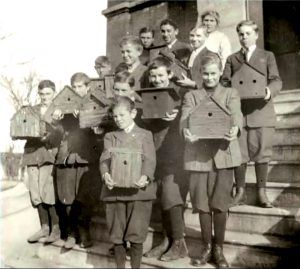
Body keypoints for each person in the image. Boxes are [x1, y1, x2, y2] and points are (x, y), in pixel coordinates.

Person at [180, 55, 243, 268]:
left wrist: (235, 128)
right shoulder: (191, 95)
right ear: (200, 74)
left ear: (220, 73)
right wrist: (186, 132)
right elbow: (184, 119)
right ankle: (207, 246)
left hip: (224, 156)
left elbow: (236, 115)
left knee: (220, 204)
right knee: (202, 204)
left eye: (213, 73)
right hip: (198, 158)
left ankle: (219, 249)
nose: (209, 77)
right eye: (205, 73)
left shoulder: (230, 93)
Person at [221, 20, 282, 208]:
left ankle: (261, 192)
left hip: (261, 112)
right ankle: (240, 191)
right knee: (239, 154)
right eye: (241, 34)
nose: (244, 37)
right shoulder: (232, 59)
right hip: (239, 114)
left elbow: (276, 80)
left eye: (248, 33)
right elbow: (224, 82)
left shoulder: (267, 56)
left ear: (256, 35)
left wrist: (269, 91)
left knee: (261, 153)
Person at [100, 96, 156, 268]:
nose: (118, 120)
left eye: (122, 115)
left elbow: (150, 159)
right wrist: (105, 174)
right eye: (115, 116)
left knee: (136, 235)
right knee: (118, 236)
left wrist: (145, 176)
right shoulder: (110, 136)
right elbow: (104, 160)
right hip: (114, 193)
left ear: (133, 113)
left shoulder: (145, 135)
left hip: (138, 194)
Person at [143, 56, 189, 261]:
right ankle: (165, 241)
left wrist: (177, 115)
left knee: (171, 196)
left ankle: (179, 242)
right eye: (153, 76)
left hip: (174, 153)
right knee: (162, 197)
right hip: (156, 153)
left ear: (170, 74)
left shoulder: (180, 94)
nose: (156, 79)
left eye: (161, 75)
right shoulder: (149, 95)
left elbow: (191, 116)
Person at [52, 72, 102, 249]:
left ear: (88, 87)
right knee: (67, 197)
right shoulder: (63, 104)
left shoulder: (94, 103)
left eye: (80, 86)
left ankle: (84, 231)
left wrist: (83, 116)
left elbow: (100, 127)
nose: (77, 90)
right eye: (74, 87)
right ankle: (72, 234)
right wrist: (56, 119)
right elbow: (56, 133)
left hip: (87, 156)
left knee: (85, 198)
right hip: (67, 156)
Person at [25, 80, 61, 244]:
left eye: (48, 93)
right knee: (35, 192)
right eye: (42, 94)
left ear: (54, 93)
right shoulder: (32, 111)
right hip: (32, 153)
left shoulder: (59, 109)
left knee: (48, 191)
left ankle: (55, 229)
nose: (45, 97)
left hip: (48, 153)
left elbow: (62, 132)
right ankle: (44, 227)